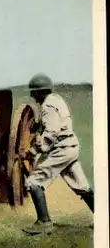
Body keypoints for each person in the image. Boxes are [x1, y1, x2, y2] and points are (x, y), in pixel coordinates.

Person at [22, 73, 94, 235]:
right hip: (71, 146)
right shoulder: (57, 99)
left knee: (34, 181)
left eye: (34, 94)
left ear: (40, 92)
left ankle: (44, 223)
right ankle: (104, 218)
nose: (34, 98)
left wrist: (36, 150)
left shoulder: (47, 106)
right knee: (81, 185)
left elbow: (52, 131)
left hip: (60, 148)